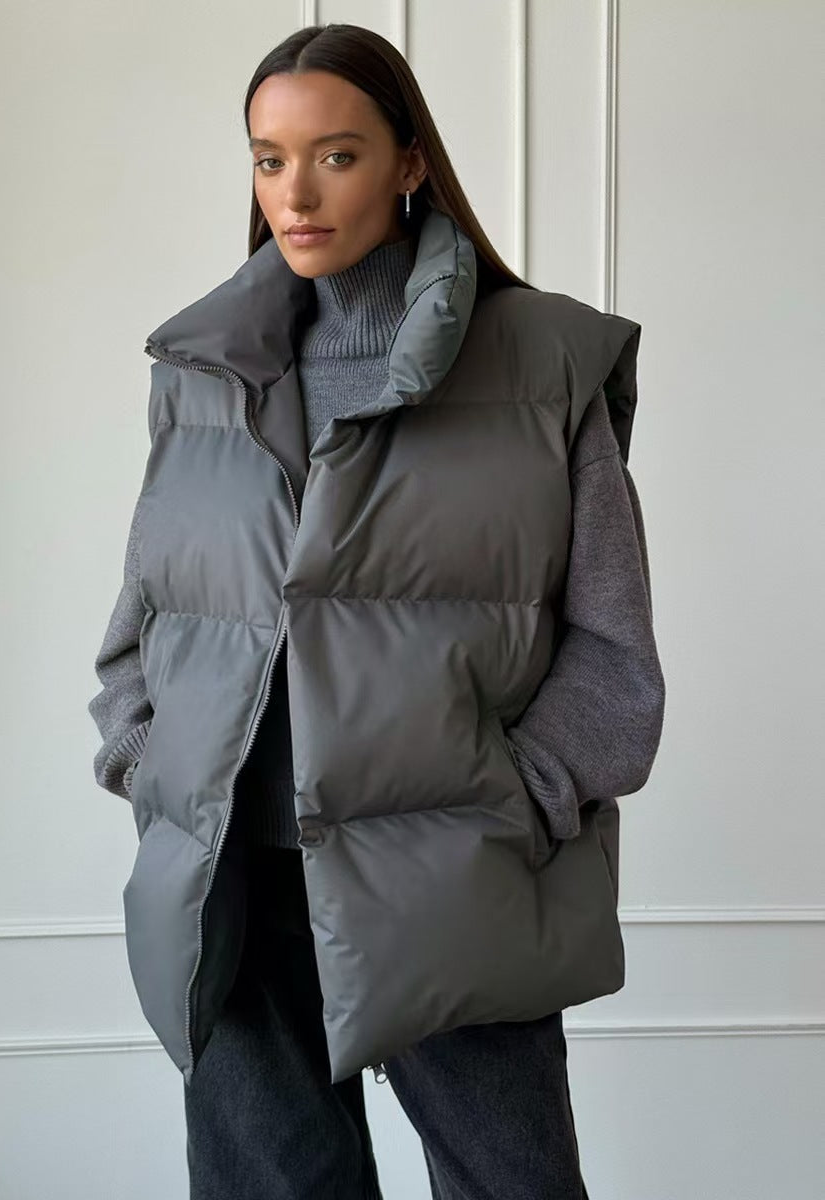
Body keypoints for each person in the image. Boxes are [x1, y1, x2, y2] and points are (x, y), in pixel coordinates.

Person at [88, 22, 666, 1200]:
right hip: (234, 885)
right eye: (268, 159)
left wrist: (511, 805)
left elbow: (613, 653)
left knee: (510, 1182)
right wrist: (151, 764)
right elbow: (146, 620)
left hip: (452, 878)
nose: (295, 194)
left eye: (336, 156)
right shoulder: (203, 373)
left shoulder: (542, 362)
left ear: (409, 162)